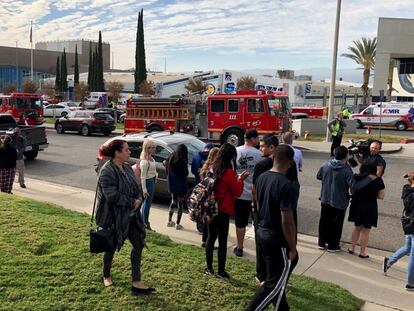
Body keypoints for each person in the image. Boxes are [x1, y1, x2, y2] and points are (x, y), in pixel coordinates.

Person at [95, 139, 155, 294]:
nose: (129, 152)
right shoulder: (107, 171)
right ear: (117, 153)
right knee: (111, 247)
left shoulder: (127, 167)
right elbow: (111, 196)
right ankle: (106, 275)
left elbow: (136, 188)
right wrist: (131, 202)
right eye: (127, 150)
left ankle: (136, 281)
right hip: (114, 217)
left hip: (131, 216)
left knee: (139, 244)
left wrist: (139, 199)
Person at [247, 145, 298, 311]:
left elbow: (256, 200)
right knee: (273, 284)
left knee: (274, 278)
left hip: (262, 233)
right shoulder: (287, 185)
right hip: (277, 240)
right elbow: (287, 221)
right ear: (290, 163)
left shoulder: (261, 178)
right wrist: (292, 247)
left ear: (273, 159)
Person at [317, 145, 376, 252]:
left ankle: (322, 242)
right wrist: (368, 179)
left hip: (325, 198)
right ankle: (332, 245)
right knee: (336, 224)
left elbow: (319, 176)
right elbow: (354, 186)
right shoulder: (346, 169)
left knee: (324, 221)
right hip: (339, 201)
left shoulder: (325, 164)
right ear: (345, 156)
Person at [205, 143, 248, 279]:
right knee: (222, 241)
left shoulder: (212, 168)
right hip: (223, 209)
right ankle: (221, 271)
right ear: (231, 157)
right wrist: (240, 179)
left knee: (210, 238)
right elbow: (237, 191)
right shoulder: (229, 173)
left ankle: (209, 267)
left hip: (211, 208)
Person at [384, 172, 414, 291]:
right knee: (413, 254)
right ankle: (411, 283)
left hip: (408, 223)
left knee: (407, 248)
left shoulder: (406, 189)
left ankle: (389, 261)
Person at [348, 162, 385, 258]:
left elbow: (352, 190)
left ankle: (352, 248)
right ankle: (362, 252)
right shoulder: (378, 180)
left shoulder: (357, 177)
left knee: (357, 227)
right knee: (366, 230)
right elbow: (381, 196)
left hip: (357, 204)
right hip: (370, 206)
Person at [234, 129, 261, 257]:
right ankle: (261, 249)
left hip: (239, 193)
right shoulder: (259, 154)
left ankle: (239, 247)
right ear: (253, 139)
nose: (259, 141)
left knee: (240, 222)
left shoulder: (236, 151)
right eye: (258, 138)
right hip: (255, 194)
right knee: (258, 223)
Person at [192, 143, 215, 235]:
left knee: (199, 206)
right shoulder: (212, 160)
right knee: (208, 207)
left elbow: (193, 170)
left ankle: (200, 227)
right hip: (209, 188)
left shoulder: (196, 157)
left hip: (198, 185)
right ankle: (207, 227)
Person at [199, 146, 220, 247]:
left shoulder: (206, 166)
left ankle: (204, 240)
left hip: (204, 196)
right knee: (211, 220)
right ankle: (208, 242)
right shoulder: (214, 168)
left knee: (206, 219)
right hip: (211, 197)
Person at [166, 144, 189, 230]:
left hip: (172, 184)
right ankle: (177, 223)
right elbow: (186, 173)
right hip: (181, 186)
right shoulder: (182, 161)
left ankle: (169, 220)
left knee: (173, 201)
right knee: (180, 204)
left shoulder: (170, 158)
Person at [140, 138, 158, 230]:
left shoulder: (150, 157)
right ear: (147, 148)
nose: (154, 149)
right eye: (152, 147)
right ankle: (145, 223)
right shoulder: (144, 161)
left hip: (152, 180)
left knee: (146, 203)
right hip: (148, 182)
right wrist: (144, 190)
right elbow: (142, 177)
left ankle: (143, 221)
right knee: (147, 203)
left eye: (155, 147)